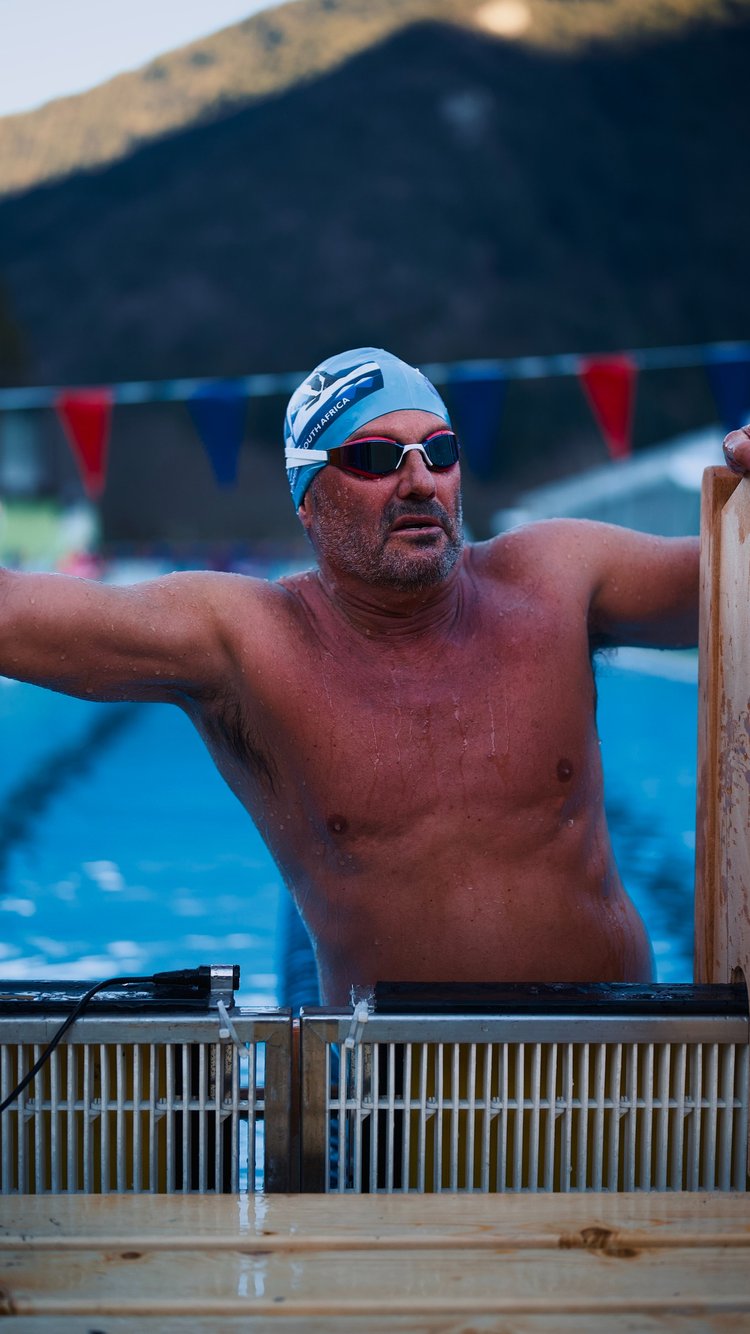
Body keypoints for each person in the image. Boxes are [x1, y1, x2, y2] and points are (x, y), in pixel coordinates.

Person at [1, 349, 748, 1004]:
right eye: (374, 459)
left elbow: (734, 575)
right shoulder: (249, 641)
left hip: (621, 1071)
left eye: (440, 450)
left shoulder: (555, 576)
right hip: (395, 1099)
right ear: (307, 501)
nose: (420, 480)